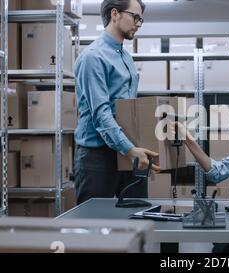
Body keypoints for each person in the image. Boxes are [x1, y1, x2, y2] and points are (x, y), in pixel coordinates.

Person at [73, 0, 160, 205]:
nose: (139, 23)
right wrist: (130, 150)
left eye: (141, 19)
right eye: (135, 17)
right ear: (115, 14)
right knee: (93, 227)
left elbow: (130, 109)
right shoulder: (93, 57)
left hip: (128, 150)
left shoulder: (126, 58)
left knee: (136, 219)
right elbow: (101, 114)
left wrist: (137, 147)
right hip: (98, 157)